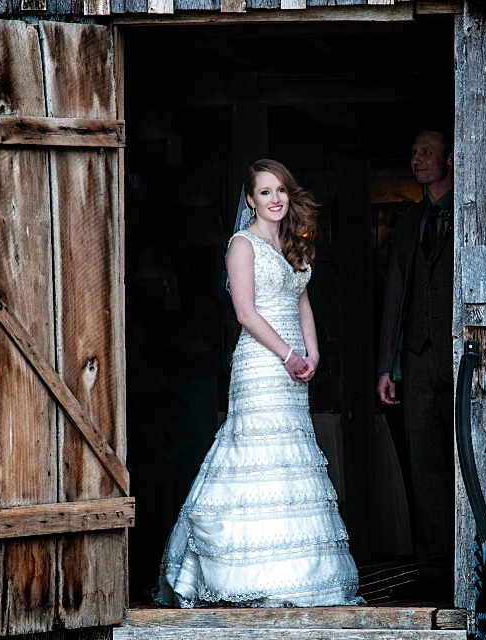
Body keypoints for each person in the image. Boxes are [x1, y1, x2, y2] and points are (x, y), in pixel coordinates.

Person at [153, 159, 362, 608]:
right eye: (265, 192)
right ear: (250, 199)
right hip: (262, 366)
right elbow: (245, 313)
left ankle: (298, 576)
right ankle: (236, 574)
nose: (276, 199)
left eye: (281, 190)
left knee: (292, 457)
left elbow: (301, 300)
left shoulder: (292, 244)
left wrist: (313, 352)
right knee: (255, 454)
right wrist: (287, 355)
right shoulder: (241, 245)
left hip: (293, 367)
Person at [376, 130, 455, 595]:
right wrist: (386, 366)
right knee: (423, 465)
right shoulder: (407, 223)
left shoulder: (469, 212)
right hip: (417, 362)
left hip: (462, 360)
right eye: (413, 151)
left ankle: (472, 562)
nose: (417, 158)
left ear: (448, 158)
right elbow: (394, 299)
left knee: (465, 460)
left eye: (426, 151)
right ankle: (433, 570)